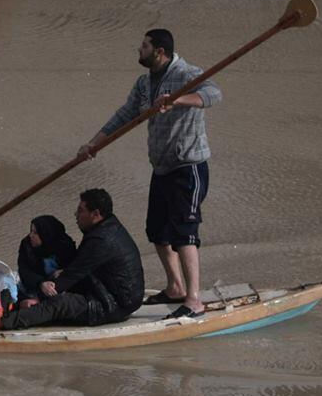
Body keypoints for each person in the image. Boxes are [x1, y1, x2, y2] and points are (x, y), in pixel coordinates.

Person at [78, 29, 221, 318]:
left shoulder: (186, 74)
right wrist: (95, 143)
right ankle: (175, 286)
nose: (138, 50)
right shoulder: (144, 83)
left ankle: (194, 299)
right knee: (157, 230)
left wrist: (178, 100)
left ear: (159, 52)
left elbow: (213, 94)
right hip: (161, 167)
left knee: (184, 233)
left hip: (188, 166)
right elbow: (125, 114)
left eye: (143, 46)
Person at [0, 189, 144, 330]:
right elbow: (78, 268)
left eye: (81, 211)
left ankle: (2, 324)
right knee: (52, 283)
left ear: (96, 214)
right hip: (112, 291)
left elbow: (73, 275)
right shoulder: (106, 228)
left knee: (60, 302)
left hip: (115, 304)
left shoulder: (101, 240)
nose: (76, 215)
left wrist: (38, 299)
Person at [16, 215, 77, 304]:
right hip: (35, 285)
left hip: (60, 286)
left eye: (35, 233)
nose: (30, 235)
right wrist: (41, 283)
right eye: (31, 231)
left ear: (46, 234)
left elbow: (76, 266)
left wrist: (65, 271)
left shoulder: (65, 245)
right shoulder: (27, 245)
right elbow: (24, 270)